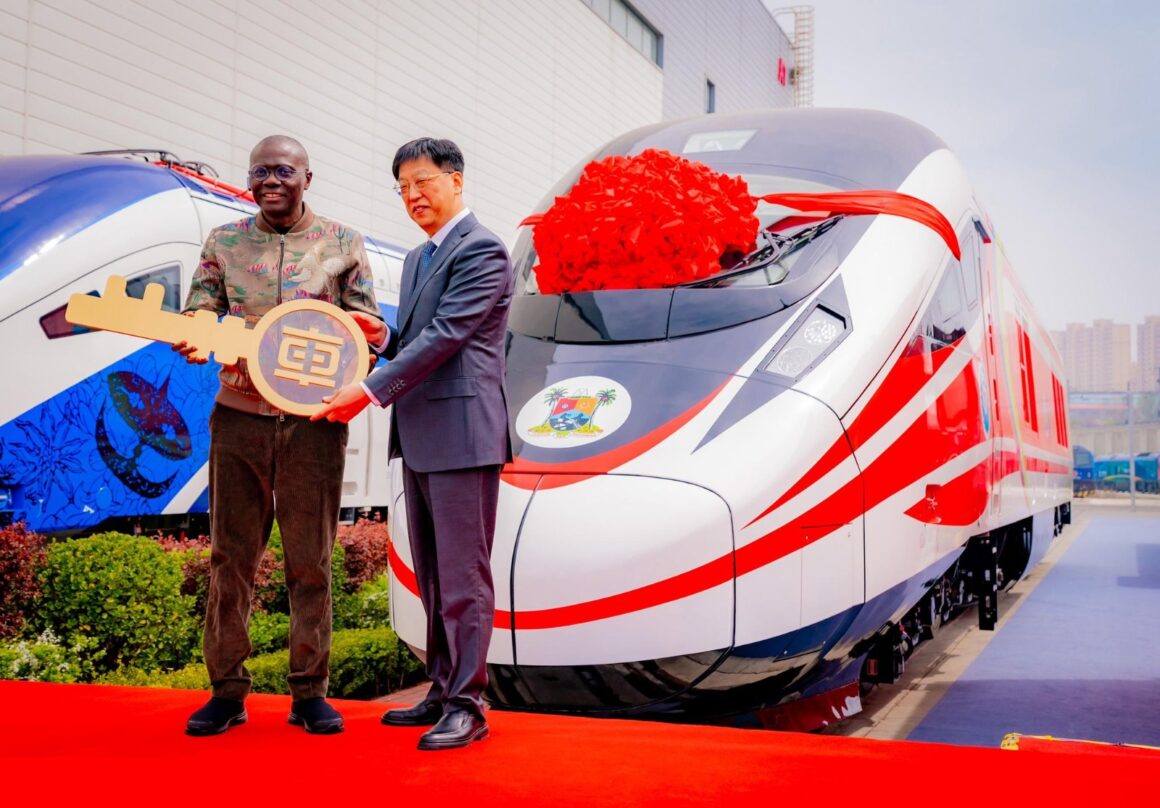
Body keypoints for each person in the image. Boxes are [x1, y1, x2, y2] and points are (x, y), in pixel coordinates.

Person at [176, 135, 387, 736]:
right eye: (261, 170)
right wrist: (194, 331)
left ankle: (309, 693)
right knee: (229, 558)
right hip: (238, 414)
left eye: (284, 171)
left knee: (310, 562)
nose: (272, 180)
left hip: (312, 423)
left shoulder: (344, 243)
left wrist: (361, 337)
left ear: (307, 178)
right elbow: (201, 306)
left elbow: (368, 328)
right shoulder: (224, 242)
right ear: (250, 178)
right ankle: (226, 692)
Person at [312, 137, 513, 750]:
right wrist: (384, 335)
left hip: (464, 434)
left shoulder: (482, 249)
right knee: (432, 572)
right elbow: (421, 340)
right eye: (402, 187)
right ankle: (442, 686)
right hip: (424, 435)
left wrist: (369, 390)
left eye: (422, 182)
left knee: (464, 576)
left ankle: (469, 704)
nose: (413, 195)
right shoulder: (421, 258)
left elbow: (451, 335)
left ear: (455, 180)